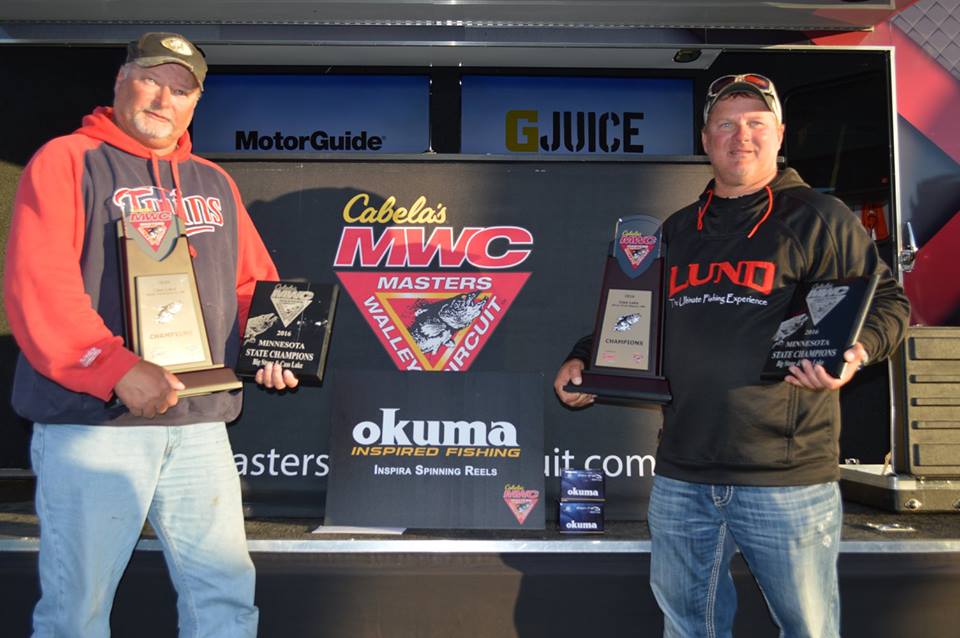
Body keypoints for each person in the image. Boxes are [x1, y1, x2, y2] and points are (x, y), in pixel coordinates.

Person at [554, 74, 910, 637]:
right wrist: (584, 359)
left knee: (809, 630)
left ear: (779, 134)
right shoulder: (676, 231)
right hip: (682, 476)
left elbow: (888, 302)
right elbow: (634, 316)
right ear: (705, 137)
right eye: (725, 123)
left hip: (785, 478)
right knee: (689, 629)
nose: (739, 136)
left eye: (754, 123)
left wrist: (857, 351)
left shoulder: (820, 218)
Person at [4, 32, 298, 637]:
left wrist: (273, 345)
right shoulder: (67, 160)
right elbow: (42, 289)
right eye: (152, 81)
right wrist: (115, 369)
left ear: (196, 105)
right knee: (77, 611)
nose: (164, 99)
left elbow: (253, 285)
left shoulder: (214, 181)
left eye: (182, 90)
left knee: (224, 597)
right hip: (94, 426)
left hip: (198, 425)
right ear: (121, 81)